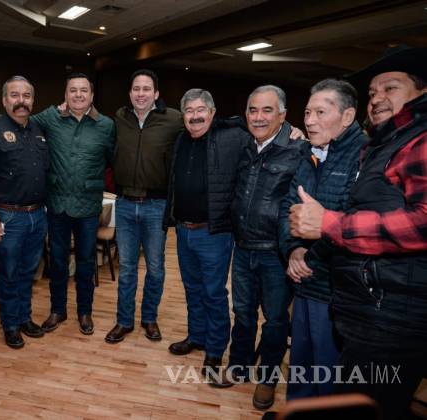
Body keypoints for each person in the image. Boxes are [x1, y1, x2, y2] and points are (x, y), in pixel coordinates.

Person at [290, 46, 427, 419]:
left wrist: (327, 226)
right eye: (372, 92)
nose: (378, 98)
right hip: (366, 304)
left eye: (391, 88)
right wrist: (296, 248)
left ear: (421, 91)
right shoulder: (383, 146)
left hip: (393, 316)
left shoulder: (418, 140)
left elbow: (421, 221)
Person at [219, 85, 307, 410]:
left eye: (267, 110)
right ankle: (239, 364)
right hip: (243, 247)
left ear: (282, 115)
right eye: (252, 110)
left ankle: (268, 378)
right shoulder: (245, 146)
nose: (258, 117)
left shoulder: (298, 150)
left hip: (275, 253)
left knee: (275, 321)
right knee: (242, 312)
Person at [278, 79, 367, 401]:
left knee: (327, 375)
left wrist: (308, 258)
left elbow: (352, 219)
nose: (310, 120)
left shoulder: (365, 156)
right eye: (307, 112)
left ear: (347, 116)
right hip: (304, 282)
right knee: (301, 366)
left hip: (336, 288)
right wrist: (293, 250)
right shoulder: (310, 153)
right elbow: (288, 207)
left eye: (320, 112)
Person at [163, 89, 250, 374]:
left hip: (214, 233)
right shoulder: (181, 140)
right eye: (189, 111)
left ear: (212, 113)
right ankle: (197, 336)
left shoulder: (229, 138)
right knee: (192, 289)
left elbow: (257, 132)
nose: (195, 116)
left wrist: (291, 132)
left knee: (213, 293)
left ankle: (214, 349)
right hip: (184, 231)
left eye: (201, 109)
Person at [30, 73, 115, 336]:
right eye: (73, 90)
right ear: (65, 95)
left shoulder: (106, 125)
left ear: (92, 95)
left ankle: (84, 311)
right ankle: (58, 310)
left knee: (86, 262)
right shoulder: (51, 118)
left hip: (88, 206)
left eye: (83, 90)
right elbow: (22, 121)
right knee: (57, 260)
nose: (78, 95)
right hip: (57, 204)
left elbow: (112, 159)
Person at [105, 69, 182, 344]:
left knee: (156, 268)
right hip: (125, 204)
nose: (141, 94)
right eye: (136, 88)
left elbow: (205, 124)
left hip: (156, 206)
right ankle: (124, 321)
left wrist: (288, 129)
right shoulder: (120, 117)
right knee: (126, 268)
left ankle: (149, 318)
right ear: (130, 93)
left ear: (156, 93)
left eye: (146, 89)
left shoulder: (173, 119)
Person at [0, 76, 49, 349]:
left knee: (28, 272)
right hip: (8, 216)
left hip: (37, 215)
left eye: (26, 96)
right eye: (15, 95)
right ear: (4, 100)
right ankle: (10, 324)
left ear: (33, 100)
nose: (21, 101)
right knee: (8, 273)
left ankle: (24, 318)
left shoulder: (39, 129)